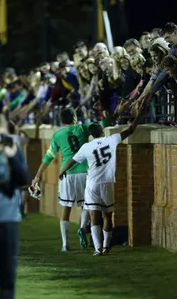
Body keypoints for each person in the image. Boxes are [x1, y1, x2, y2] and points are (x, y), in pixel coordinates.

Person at [32, 103, 129, 251]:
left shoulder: (57, 135)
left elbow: (48, 157)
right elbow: (103, 124)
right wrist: (117, 114)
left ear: (63, 120)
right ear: (75, 118)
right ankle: (83, 228)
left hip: (68, 173)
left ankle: (65, 245)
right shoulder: (82, 128)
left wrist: (38, 175)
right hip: (85, 172)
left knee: (66, 208)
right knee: (88, 206)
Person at [59, 104, 143, 256]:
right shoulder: (111, 140)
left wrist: (62, 171)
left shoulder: (86, 146)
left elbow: (72, 160)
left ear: (91, 134)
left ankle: (98, 249)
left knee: (93, 216)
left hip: (92, 184)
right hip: (108, 183)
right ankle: (105, 245)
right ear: (102, 131)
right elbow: (130, 130)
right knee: (107, 216)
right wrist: (138, 116)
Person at [0, 114, 29, 299]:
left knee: (8, 277)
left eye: (1, 134)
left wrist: (12, 157)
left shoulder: (13, 150)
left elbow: (24, 179)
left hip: (9, 220)